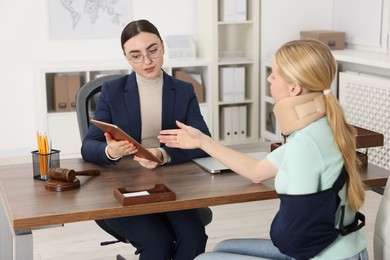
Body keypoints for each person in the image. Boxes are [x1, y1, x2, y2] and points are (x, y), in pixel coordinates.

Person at [158, 39, 368, 260]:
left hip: (323, 255)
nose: (269, 78)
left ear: (294, 88)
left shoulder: (305, 144)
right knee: (223, 246)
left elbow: (298, 234)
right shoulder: (323, 126)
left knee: (204, 259)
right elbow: (257, 170)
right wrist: (202, 141)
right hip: (335, 246)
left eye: (274, 75)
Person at [81, 19, 211, 260]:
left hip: (171, 187)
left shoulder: (183, 90)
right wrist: (111, 151)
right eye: (136, 56)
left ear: (162, 46)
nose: (147, 61)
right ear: (127, 58)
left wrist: (164, 154)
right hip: (123, 187)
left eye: (153, 50)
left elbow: (203, 142)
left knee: (194, 236)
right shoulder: (112, 91)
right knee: (157, 243)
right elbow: (88, 147)